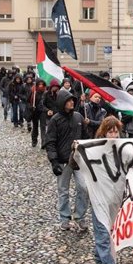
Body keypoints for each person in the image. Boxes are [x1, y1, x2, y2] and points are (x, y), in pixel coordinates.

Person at [44, 89, 90, 231]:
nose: (71, 102)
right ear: (62, 102)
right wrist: (54, 161)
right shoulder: (55, 120)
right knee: (63, 190)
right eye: (69, 100)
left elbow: (86, 137)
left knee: (84, 188)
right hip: (63, 161)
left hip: (78, 160)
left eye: (72, 100)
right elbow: (50, 141)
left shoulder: (78, 117)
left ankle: (79, 217)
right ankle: (65, 218)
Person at [90, 115, 124, 264]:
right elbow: (75, 164)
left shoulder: (124, 149)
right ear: (104, 132)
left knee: (107, 229)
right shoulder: (92, 149)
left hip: (114, 197)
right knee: (103, 230)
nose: (113, 135)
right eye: (110, 132)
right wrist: (76, 152)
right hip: (98, 197)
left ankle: (99, 257)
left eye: (116, 132)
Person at [28, 79, 48, 148]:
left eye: (42, 84)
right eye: (39, 84)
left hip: (42, 111)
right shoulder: (33, 91)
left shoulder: (45, 92)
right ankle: (34, 140)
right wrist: (31, 106)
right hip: (35, 111)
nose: (40, 86)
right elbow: (28, 101)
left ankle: (44, 142)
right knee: (35, 127)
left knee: (43, 127)